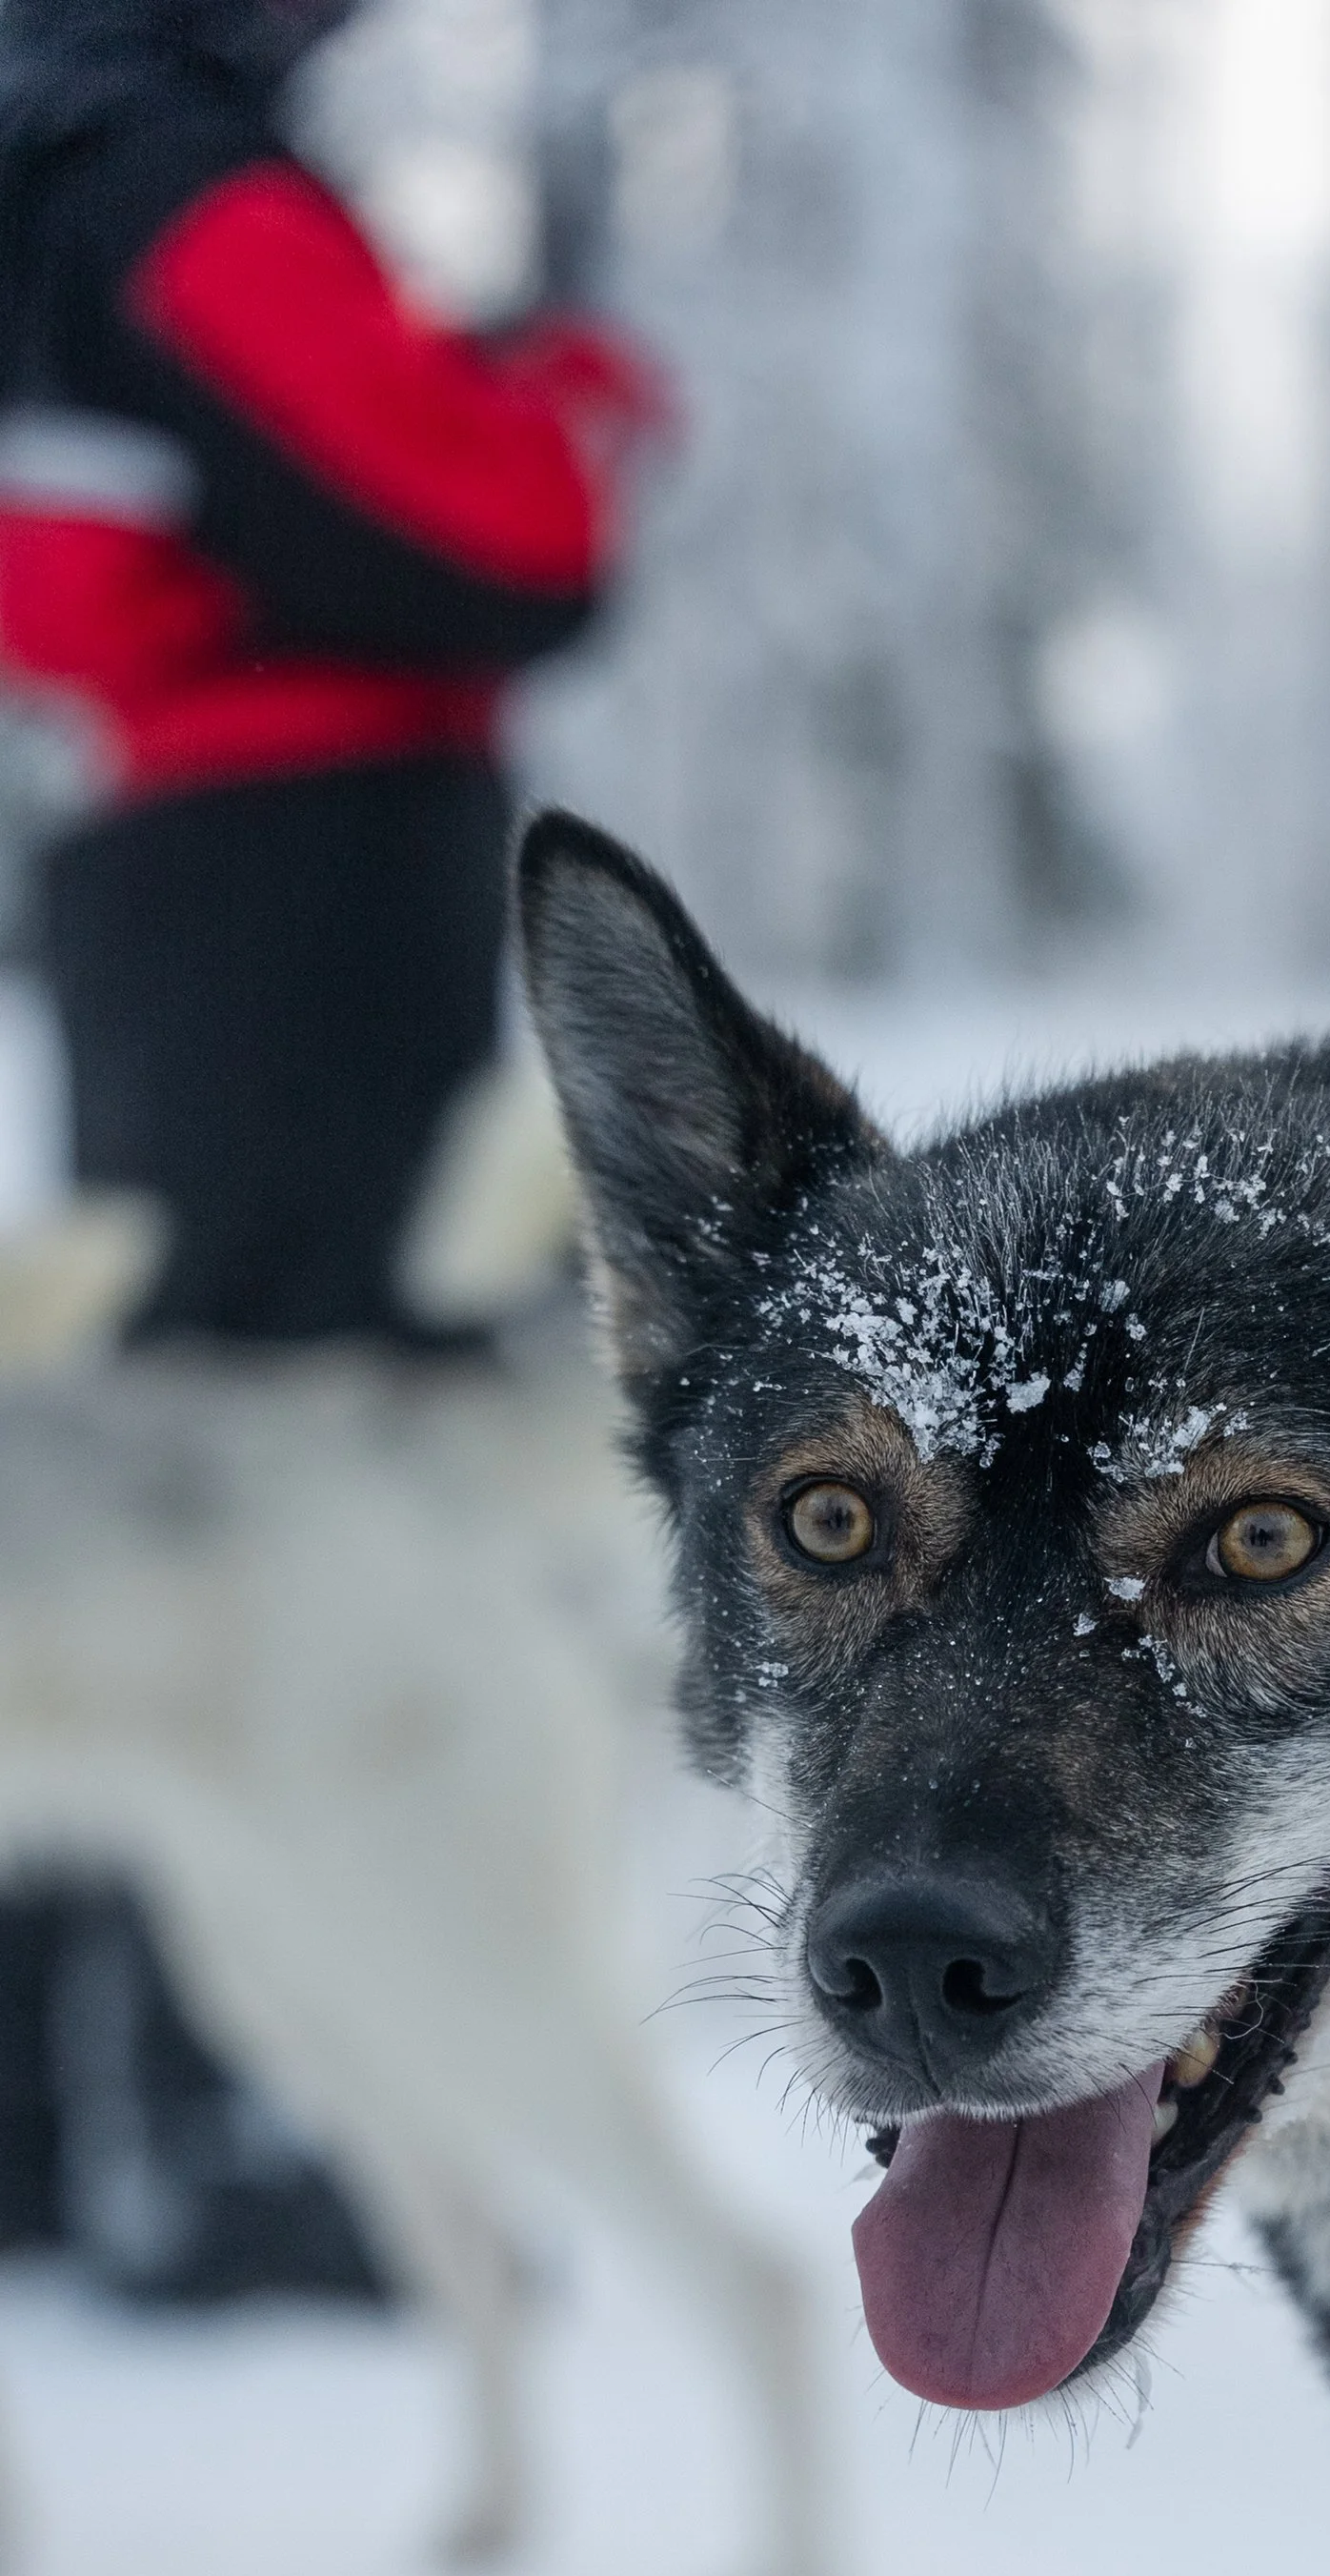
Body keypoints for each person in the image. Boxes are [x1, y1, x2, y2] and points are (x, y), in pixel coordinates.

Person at [0, 0, 662, 2295]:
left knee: (163, 1433)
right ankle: (203, 2115)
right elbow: (489, 538)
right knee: (281, 1457)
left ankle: (84, 2114)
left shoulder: (57, 152)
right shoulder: (178, 182)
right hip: (293, 863)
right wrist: (562, 400)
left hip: (162, 852)